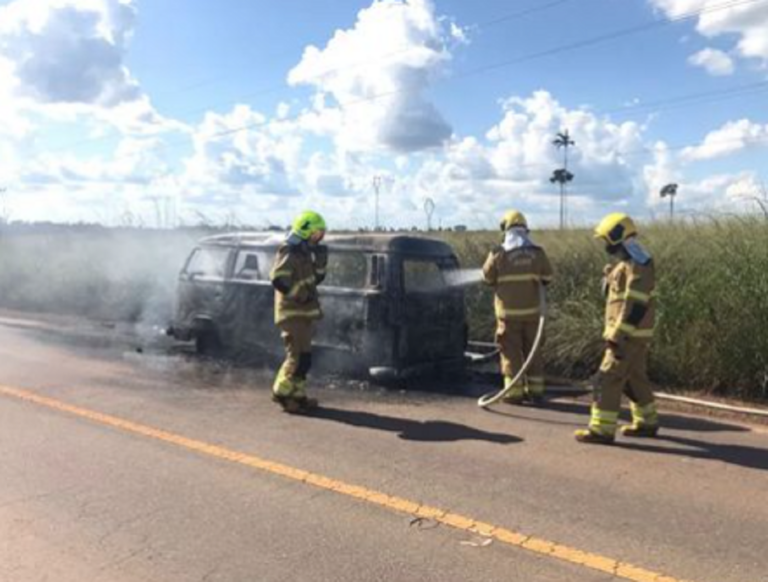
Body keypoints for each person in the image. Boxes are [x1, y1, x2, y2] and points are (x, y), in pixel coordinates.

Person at [575, 213, 660, 444]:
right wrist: (608, 279)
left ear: (617, 238)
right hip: (634, 335)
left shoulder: (638, 265)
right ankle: (647, 421)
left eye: (606, 240)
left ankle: (601, 430)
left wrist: (618, 334)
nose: (606, 246)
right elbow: (616, 296)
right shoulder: (628, 264)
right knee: (635, 379)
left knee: (606, 378)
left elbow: (636, 304)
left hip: (627, 335)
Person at [482, 210, 553, 405]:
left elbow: (487, 278)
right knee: (533, 353)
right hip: (533, 316)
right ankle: (536, 391)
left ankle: (513, 393)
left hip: (508, 316)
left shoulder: (498, 254)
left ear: (506, 231)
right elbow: (548, 278)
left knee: (511, 354)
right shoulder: (538, 253)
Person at [269, 210, 328, 413]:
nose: (319, 238)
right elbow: (278, 279)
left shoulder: (304, 253)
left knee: (305, 359)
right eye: (317, 233)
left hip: (304, 314)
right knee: (296, 357)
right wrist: (300, 295)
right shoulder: (289, 250)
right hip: (291, 313)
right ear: (305, 231)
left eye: (321, 234)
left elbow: (315, 280)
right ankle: (281, 393)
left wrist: (321, 262)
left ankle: (298, 395)